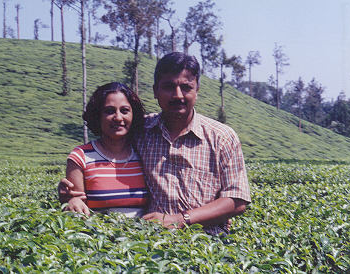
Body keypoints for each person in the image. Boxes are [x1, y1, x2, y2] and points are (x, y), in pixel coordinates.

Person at [59, 52, 251, 236]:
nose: (177, 95)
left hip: (209, 241)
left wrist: (181, 219)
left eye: (186, 87)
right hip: (152, 243)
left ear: (197, 89)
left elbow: (237, 200)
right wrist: (72, 192)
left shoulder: (222, 137)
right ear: (155, 91)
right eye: (168, 87)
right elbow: (105, 154)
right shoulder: (140, 130)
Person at [61, 82, 148, 218]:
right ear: (98, 115)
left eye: (124, 110)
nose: (118, 117)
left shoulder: (144, 153)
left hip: (145, 235)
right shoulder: (80, 157)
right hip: (99, 235)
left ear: (133, 114)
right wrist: (71, 200)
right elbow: (75, 202)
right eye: (109, 111)